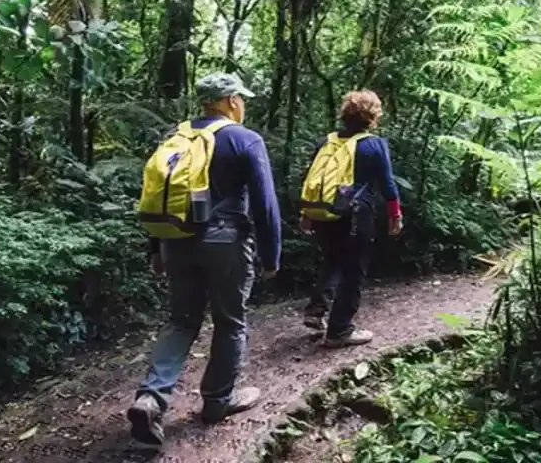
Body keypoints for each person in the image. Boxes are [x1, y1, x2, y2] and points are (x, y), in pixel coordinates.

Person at [127, 73, 281, 446]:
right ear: (229, 100)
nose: (242, 104)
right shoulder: (245, 139)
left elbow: (156, 195)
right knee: (230, 322)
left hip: (176, 241)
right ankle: (218, 400)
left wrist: (156, 248)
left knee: (181, 321)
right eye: (240, 98)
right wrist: (271, 254)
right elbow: (265, 203)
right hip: (225, 242)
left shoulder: (176, 138)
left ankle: (151, 397)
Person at [300, 90, 402, 348]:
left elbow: (313, 181)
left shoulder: (326, 142)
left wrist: (306, 213)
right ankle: (340, 331)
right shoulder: (373, 144)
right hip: (356, 214)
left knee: (333, 259)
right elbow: (387, 184)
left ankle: (316, 310)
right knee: (354, 270)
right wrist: (395, 214)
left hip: (323, 212)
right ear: (372, 117)